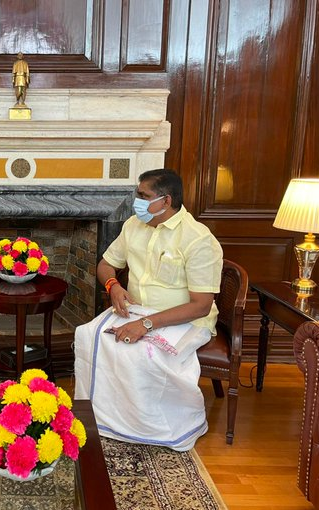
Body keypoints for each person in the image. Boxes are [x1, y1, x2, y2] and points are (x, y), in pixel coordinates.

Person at [74, 168, 223, 451]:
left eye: (143, 196)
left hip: (184, 319)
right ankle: (106, 420)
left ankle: (152, 427)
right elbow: (106, 265)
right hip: (137, 309)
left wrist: (146, 325)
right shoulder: (133, 225)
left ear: (166, 201)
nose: (136, 202)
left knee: (140, 351)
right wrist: (113, 287)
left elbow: (201, 305)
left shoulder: (198, 239)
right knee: (88, 335)